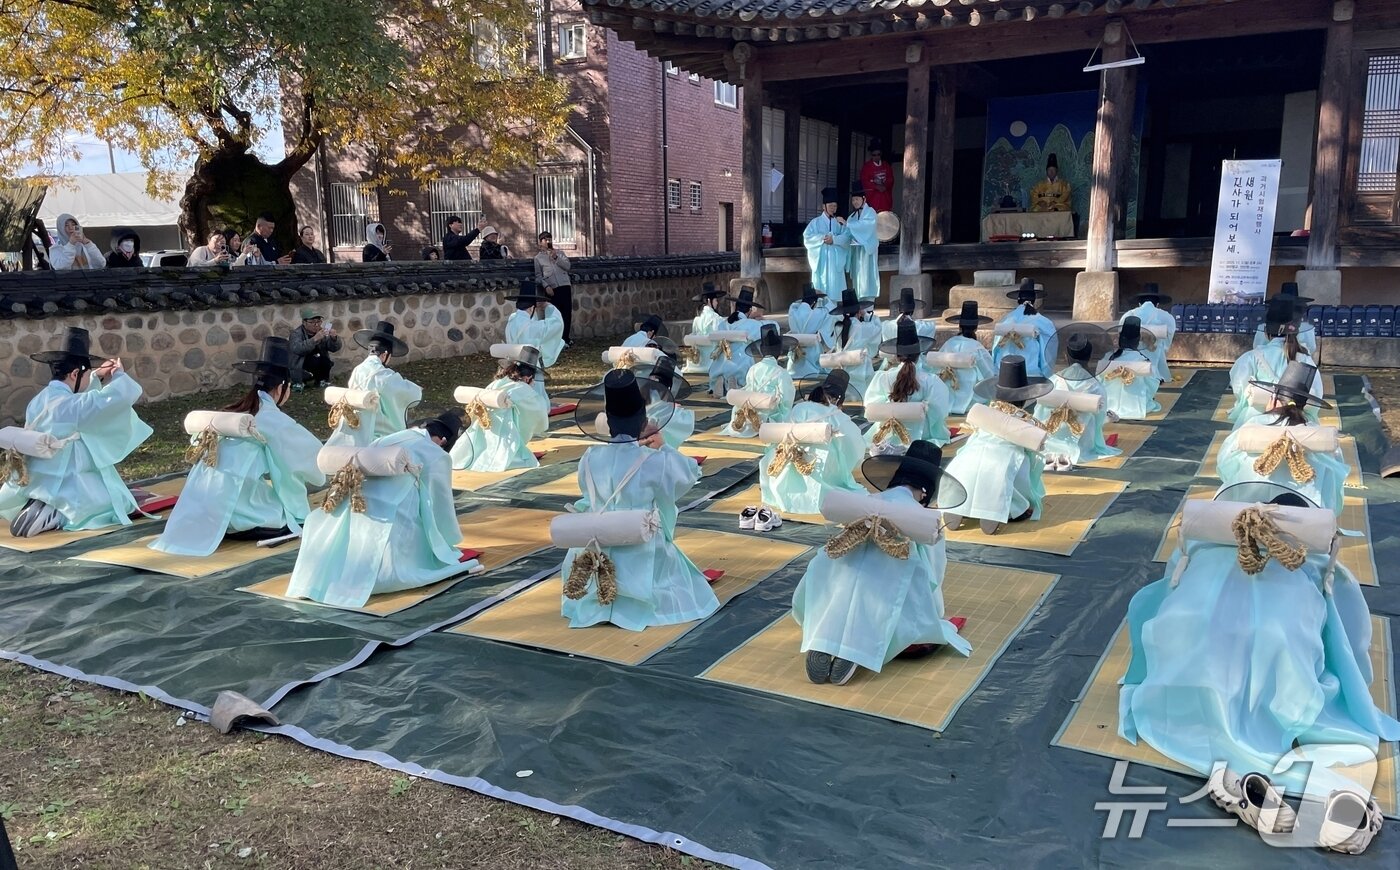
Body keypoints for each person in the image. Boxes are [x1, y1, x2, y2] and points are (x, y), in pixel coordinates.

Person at [1119, 481, 1397, 852]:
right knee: (1288, 641)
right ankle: (1333, 797)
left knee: (1202, 631)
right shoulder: (1306, 554)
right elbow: (1347, 626)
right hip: (1280, 674)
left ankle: (1252, 790)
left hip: (1188, 677)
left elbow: (1166, 592)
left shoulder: (1203, 544)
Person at [793, 440, 972, 686]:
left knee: (843, 584)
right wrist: (935, 612)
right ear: (926, 491)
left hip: (833, 578)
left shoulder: (864, 505)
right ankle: (856, 648)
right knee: (896, 596)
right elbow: (933, 573)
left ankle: (824, 636)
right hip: (884, 590)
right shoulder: (921, 520)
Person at [560, 370, 719, 630]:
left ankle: (596, 599)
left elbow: (586, 495)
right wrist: (663, 446)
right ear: (643, 420)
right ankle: (634, 602)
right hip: (640, 543)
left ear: (608, 422)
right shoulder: (653, 460)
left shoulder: (589, 457)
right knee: (678, 578)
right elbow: (690, 473)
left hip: (594, 542)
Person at [149, 338, 325, 556]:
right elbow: (312, 459)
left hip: (206, 512)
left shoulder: (234, 411)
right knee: (293, 516)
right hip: (247, 515)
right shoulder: (272, 419)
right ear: (281, 387)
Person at [285, 410, 471, 609]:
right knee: (414, 523)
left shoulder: (393, 437)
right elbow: (439, 501)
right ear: (442, 441)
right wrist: (447, 541)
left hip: (355, 502)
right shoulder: (435, 453)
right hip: (391, 515)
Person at [0, 328, 153, 536]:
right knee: (116, 504)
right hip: (67, 476)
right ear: (74, 374)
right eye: (87, 374)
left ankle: (43, 502)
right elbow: (116, 398)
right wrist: (118, 376)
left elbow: (83, 399)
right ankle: (57, 513)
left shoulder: (40, 399)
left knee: (114, 496)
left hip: (38, 476)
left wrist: (96, 376)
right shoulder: (72, 406)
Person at [1217, 361, 1347, 515]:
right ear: (1304, 406)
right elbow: (1334, 486)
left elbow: (1224, 464)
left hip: (1247, 511)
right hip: (1304, 518)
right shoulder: (1318, 434)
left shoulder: (1255, 424)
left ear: (1273, 399)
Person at [943, 356, 1052, 535]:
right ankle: (1013, 508)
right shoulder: (1026, 424)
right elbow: (1034, 463)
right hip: (999, 469)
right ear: (1026, 398)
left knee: (972, 454)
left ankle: (961, 504)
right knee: (1019, 460)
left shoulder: (985, 415)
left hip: (962, 466)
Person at [759, 370, 864, 516]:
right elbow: (856, 448)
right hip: (820, 465)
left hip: (786, 462)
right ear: (839, 399)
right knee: (835, 455)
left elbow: (783, 431)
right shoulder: (840, 417)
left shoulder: (799, 408)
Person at [1033, 325, 1119, 470]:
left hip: (1048, 439)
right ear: (1090, 357)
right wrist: (1108, 418)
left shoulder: (1052, 381)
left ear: (1066, 356)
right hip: (1082, 442)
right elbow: (1098, 422)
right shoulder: (1096, 387)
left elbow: (1038, 414)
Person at [450, 346, 550, 471]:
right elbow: (539, 412)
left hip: (482, 429)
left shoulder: (498, 383)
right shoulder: (523, 389)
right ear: (527, 377)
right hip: (504, 432)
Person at [1228, 296, 1322, 427]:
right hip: (1296, 422)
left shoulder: (1250, 358)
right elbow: (1315, 398)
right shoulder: (1305, 359)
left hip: (1256, 422)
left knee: (1235, 445)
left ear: (1266, 332)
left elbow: (1239, 390)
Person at [864, 319, 949, 453]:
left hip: (888, 433)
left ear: (897, 356)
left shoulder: (883, 377)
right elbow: (940, 412)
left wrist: (892, 406)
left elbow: (871, 406)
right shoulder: (931, 380)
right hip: (922, 436)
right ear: (918, 354)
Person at [340, 321, 421, 441]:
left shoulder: (357, 370)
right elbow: (414, 396)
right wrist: (417, 388)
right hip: (381, 436)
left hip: (358, 430)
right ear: (385, 355)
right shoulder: (384, 375)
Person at [722, 326, 796, 437]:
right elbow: (786, 400)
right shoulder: (781, 372)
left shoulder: (753, 368)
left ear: (761, 350)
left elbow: (748, 389)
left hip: (750, 409)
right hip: (769, 413)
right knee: (791, 412)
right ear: (779, 351)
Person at [503, 281, 565, 399]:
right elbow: (556, 323)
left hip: (513, 365)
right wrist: (548, 306)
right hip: (530, 367)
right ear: (532, 308)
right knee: (536, 398)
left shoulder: (511, 321)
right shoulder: (532, 327)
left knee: (516, 395)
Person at [992, 278, 1058, 379]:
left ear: (1018, 300)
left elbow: (995, 349)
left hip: (1003, 373)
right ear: (1034, 300)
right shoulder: (1044, 322)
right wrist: (1045, 374)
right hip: (1031, 374)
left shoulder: (1005, 320)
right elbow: (1048, 351)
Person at [1097, 317, 1161, 421]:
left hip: (1108, 405)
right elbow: (1153, 383)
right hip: (1134, 405)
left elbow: (1098, 380)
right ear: (1137, 340)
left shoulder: (1108, 357)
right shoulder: (1142, 360)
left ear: (1120, 339)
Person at [939, 301, 996, 415]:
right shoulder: (976, 347)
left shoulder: (949, 343)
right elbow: (989, 373)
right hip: (970, 398)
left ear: (960, 326)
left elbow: (937, 364)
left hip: (947, 396)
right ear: (976, 328)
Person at [829, 288, 882, 398]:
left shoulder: (837, 326)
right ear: (858, 311)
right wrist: (866, 315)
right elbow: (878, 327)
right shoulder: (862, 328)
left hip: (842, 366)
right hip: (860, 368)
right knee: (862, 395)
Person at [633, 356, 694, 449]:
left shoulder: (641, 392)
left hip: (635, 441)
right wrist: (672, 408)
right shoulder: (664, 403)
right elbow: (661, 409)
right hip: (654, 443)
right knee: (678, 416)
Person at [1119, 284, 1175, 383]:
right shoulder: (1167, 317)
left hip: (1129, 359)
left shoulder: (1128, 315)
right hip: (1156, 356)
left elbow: (1121, 335)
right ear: (1157, 304)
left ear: (1139, 303)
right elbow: (1168, 339)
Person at [718, 286, 768, 392]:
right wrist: (760, 319)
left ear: (736, 306)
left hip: (722, 365)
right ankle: (740, 383)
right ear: (750, 310)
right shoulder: (751, 324)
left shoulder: (723, 324)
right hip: (742, 366)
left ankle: (722, 382)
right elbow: (772, 327)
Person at [802, 187, 850, 296]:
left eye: (835, 206)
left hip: (835, 261)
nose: (833, 208)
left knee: (835, 290)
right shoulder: (815, 222)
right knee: (821, 288)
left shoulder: (839, 222)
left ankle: (834, 310)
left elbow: (847, 237)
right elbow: (807, 237)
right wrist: (822, 238)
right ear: (824, 207)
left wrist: (834, 240)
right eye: (830, 206)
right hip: (822, 261)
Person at [1252, 282, 1319, 357]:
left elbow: (1257, 346)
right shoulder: (1307, 327)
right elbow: (1311, 348)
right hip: (1299, 364)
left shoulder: (1262, 327)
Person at [785, 283, 835, 380]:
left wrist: (806, 300)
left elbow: (794, 304)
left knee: (795, 360)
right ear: (814, 303)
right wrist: (825, 297)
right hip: (812, 348)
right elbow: (832, 309)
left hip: (795, 347)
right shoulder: (818, 313)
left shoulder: (793, 311)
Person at [533, 230, 574, 343]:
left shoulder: (560, 253)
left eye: (549, 239)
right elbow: (538, 276)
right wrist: (546, 286)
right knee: (554, 314)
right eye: (545, 239)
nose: (547, 241)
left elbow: (567, 266)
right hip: (552, 289)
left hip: (564, 285)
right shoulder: (538, 258)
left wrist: (556, 257)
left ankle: (565, 338)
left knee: (566, 313)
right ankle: (555, 339)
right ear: (540, 242)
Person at [685, 282, 731, 379]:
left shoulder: (697, 320)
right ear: (709, 301)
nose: (717, 303)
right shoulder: (716, 319)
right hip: (712, 359)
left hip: (699, 359)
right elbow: (721, 337)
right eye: (715, 300)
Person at [289, 309, 342, 390]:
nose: (316, 325)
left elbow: (334, 348)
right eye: (312, 322)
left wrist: (334, 339)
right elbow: (298, 349)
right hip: (301, 364)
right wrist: (314, 339)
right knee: (314, 358)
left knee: (325, 360)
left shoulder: (322, 331)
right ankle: (299, 382)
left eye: (319, 321)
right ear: (304, 322)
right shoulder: (296, 334)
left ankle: (322, 381)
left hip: (318, 362)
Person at [845, 183, 880, 302]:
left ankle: (869, 308)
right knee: (858, 278)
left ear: (864, 199)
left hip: (866, 252)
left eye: (857, 199)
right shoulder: (852, 217)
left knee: (867, 278)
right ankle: (859, 308)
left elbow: (866, 227)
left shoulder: (871, 212)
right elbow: (848, 233)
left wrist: (848, 225)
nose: (855, 202)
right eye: (853, 199)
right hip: (856, 252)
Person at [857, 140, 895, 214]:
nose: (877, 157)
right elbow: (864, 181)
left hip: (885, 198)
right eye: (874, 155)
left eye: (878, 154)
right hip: (873, 199)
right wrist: (875, 186)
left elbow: (891, 179)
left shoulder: (886, 166)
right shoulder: (866, 167)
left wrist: (885, 186)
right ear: (871, 155)